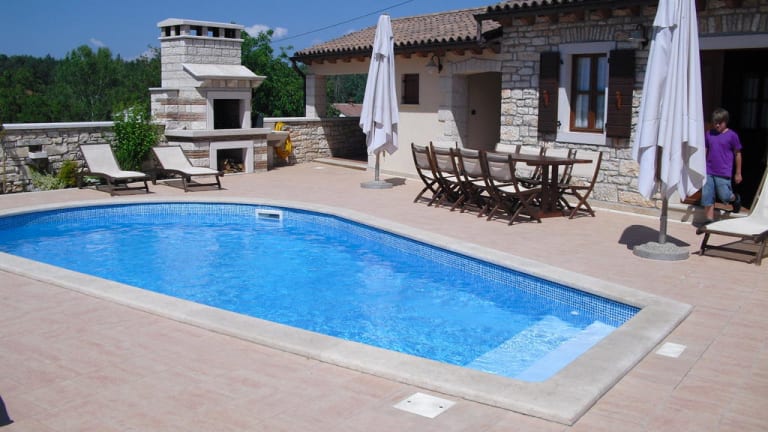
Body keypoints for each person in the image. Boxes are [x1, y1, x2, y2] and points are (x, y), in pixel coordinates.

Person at [702, 107, 742, 224]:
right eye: (715, 123)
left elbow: (738, 154)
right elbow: (705, 149)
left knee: (724, 196)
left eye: (720, 123)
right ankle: (709, 221)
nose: (717, 125)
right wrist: (701, 165)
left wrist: (738, 173)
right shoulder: (709, 134)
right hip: (709, 170)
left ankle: (735, 198)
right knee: (707, 195)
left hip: (723, 171)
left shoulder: (732, 136)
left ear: (726, 121)